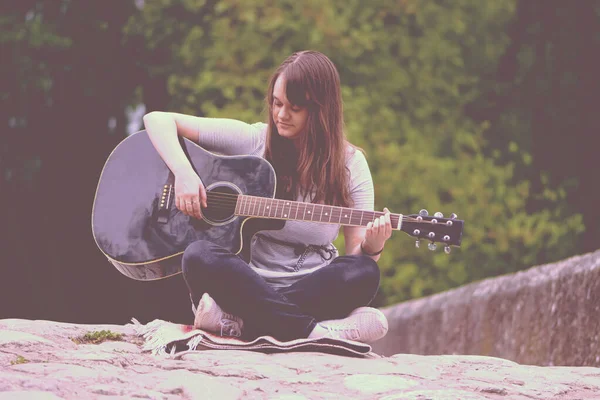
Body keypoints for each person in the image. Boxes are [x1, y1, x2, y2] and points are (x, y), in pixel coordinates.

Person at [142, 50, 392, 344]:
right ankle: (313, 332)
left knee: (364, 272)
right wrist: (184, 173)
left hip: (310, 285)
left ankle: (240, 323)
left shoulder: (350, 165)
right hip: (244, 280)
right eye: (276, 103)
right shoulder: (256, 140)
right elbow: (157, 120)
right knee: (199, 255)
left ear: (321, 110)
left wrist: (373, 248)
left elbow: (354, 257)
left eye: (294, 107)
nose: (281, 115)